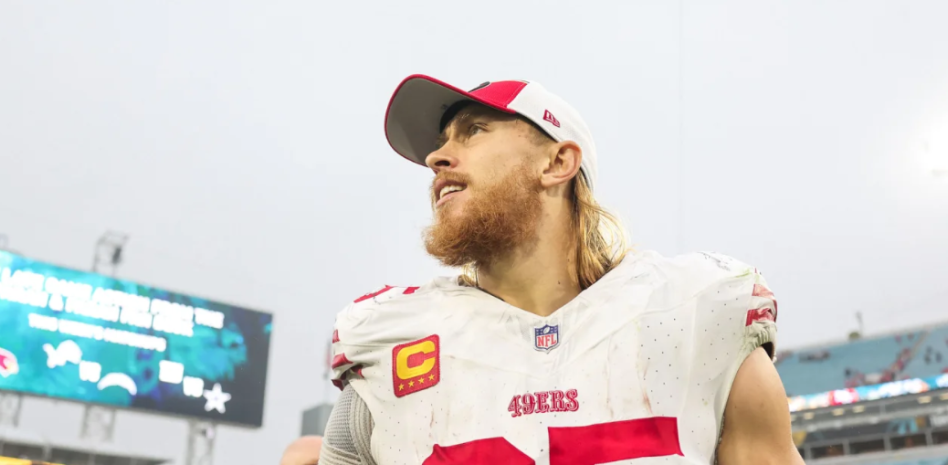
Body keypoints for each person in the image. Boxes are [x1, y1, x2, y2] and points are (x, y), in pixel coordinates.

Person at [319, 75, 803, 464]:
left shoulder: (695, 313)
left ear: (557, 162)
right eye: (441, 142)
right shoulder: (391, 343)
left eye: (474, 130)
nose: (435, 158)